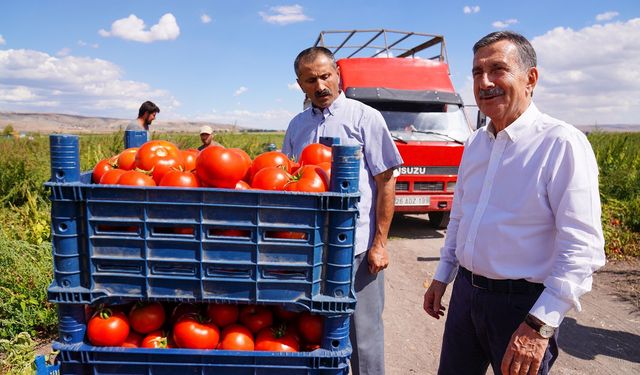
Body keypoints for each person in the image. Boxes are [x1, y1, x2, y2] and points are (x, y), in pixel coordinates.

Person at [423, 31, 605, 375]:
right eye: (477, 72)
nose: (485, 81)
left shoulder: (561, 143)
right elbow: (460, 217)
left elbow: (583, 247)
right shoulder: (476, 143)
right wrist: (442, 276)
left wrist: (541, 324)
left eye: (498, 69)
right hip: (466, 295)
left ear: (530, 78)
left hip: (522, 306)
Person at [282, 47, 403, 375]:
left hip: (357, 247)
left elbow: (386, 180)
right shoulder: (296, 126)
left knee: (363, 333)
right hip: (311, 247)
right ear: (300, 84)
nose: (320, 85)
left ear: (337, 73)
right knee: (315, 327)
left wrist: (380, 242)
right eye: (311, 80)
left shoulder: (365, 117)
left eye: (325, 75)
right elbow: (287, 179)